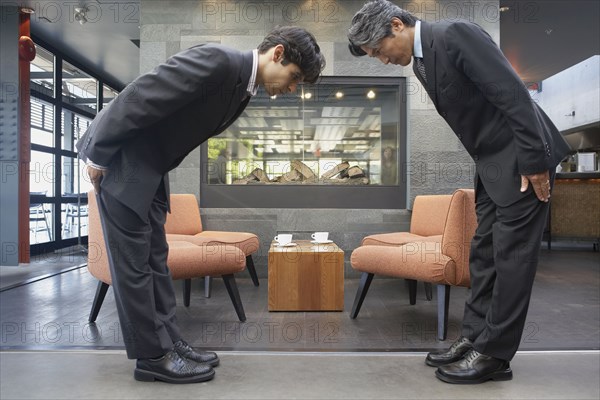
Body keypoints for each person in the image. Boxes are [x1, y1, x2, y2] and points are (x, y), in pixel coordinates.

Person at [77, 26, 325, 384]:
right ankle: (151, 357)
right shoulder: (219, 61)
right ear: (278, 53)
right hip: (122, 160)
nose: (291, 88)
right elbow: (140, 94)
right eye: (294, 77)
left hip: (149, 170)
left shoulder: (242, 86)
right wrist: (98, 155)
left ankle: (171, 343)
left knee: (155, 262)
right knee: (134, 268)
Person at [347, 0, 570, 385]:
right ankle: (473, 339)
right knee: (483, 254)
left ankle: (495, 354)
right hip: (493, 167)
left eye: (379, 51)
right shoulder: (420, 61)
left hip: (522, 163)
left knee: (511, 260)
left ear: (396, 25)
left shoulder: (454, 35)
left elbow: (513, 95)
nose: (382, 60)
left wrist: (534, 161)